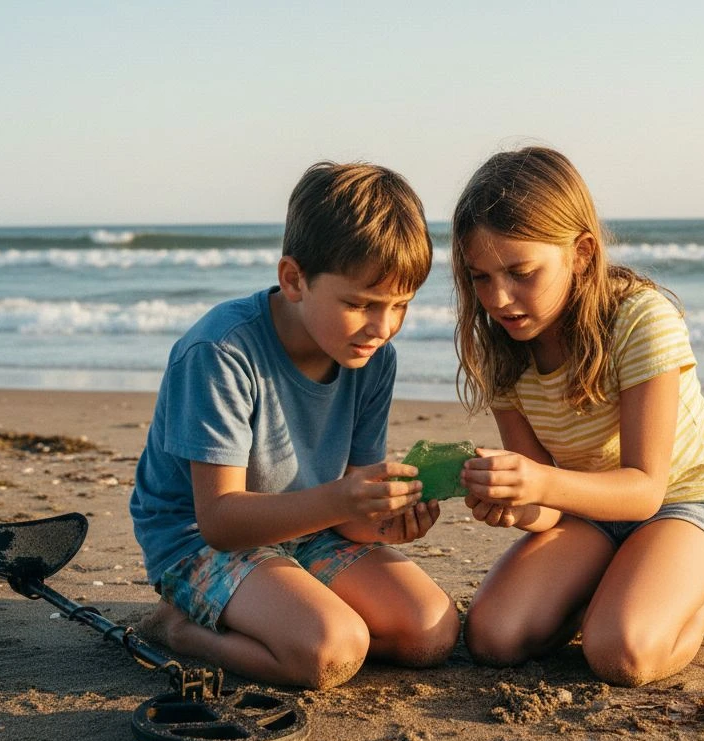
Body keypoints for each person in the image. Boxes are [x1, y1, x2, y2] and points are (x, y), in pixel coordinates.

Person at [130, 162, 460, 690]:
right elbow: (217, 519)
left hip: (309, 528)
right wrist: (342, 501)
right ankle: (180, 630)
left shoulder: (372, 358)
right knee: (332, 651)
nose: (383, 327)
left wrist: (386, 519)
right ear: (293, 279)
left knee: (431, 633)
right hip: (200, 542)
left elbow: (350, 515)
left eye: (401, 305)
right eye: (360, 304)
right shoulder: (222, 352)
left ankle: (286, 609)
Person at [451, 147, 704, 687]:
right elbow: (548, 510)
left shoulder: (639, 319)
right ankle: (624, 581)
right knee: (493, 637)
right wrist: (514, 503)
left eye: (520, 273)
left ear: (581, 252)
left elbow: (646, 490)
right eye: (480, 277)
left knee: (621, 654)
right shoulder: (501, 350)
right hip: (588, 512)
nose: (499, 298)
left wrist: (538, 481)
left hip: (681, 501)